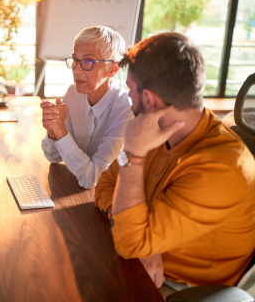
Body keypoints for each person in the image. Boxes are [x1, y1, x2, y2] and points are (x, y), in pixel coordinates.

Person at [95, 32, 255, 288]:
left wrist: (134, 156)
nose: (128, 98)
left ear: (148, 99)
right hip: (138, 260)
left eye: (130, 91)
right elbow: (105, 183)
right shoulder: (158, 130)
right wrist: (134, 229)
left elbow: (131, 243)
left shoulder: (223, 169)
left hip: (183, 289)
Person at [40, 26, 133, 189]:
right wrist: (53, 131)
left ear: (113, 69)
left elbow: (93, 179)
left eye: (88, 62)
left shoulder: (125, 109)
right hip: (74, 190)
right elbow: (53, 157)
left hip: (108, 200)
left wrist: (61, 132)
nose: (76, 69)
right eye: (75, 60)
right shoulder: (72, 94)